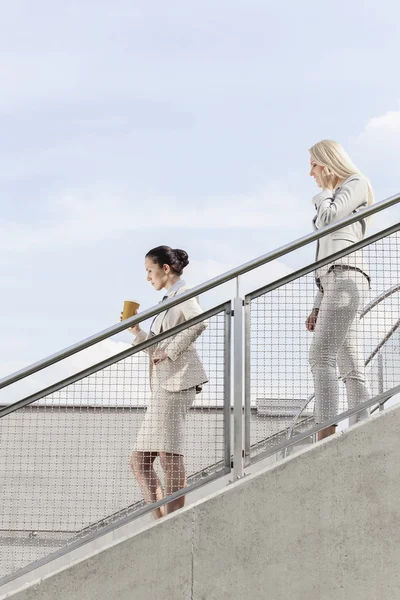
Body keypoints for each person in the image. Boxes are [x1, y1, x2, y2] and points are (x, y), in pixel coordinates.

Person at [124, 246, 208, 518]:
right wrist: (137, 332)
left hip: (178, 383)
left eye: (150, 270)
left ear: (166, 269)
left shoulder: (183, 293)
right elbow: (158, 350)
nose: (148, 277)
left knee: (168, 454)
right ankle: (162, 523)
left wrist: (170, 351)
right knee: (140, 461)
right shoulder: (167, 301)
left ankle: (173, 522)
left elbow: (199, 321)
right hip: (163, 385)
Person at [306, 139, 373, 441]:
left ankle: (326, 432)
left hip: (347, 279)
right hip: (334, 282)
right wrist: (318, 302)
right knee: (349, 362)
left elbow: (330, 219)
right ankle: (364, 426)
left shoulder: (355, 183)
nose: (311, 173)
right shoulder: (336, 193)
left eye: (314, 165)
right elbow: (327, 253)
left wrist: (325, 192)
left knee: (320, 356)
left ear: (328, 163)